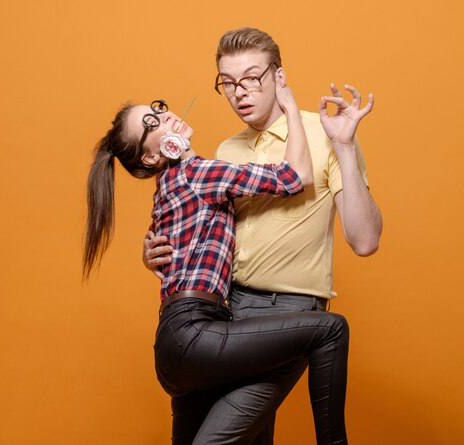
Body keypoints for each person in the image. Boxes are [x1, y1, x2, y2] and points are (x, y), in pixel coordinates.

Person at [84, 75, 370, 443]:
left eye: (158, 110)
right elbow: (293, 176)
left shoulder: (169, 189)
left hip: (177, 345)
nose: (166, 116)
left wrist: (148, 257)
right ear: (152, 156)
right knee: (331, 329)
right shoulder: (197, 172)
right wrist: (291, 110)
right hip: (196, 333)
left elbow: (178, 251)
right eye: (151, 124)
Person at [143, 27, 382, 444]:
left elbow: (364, 241)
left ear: (279, 77)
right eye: (229, 83)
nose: (240, 92)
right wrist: (157, 255)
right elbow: (202, 239)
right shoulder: (225, 151)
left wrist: (344, 146)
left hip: (287, 314)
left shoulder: (325, 132)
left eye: (252, 78)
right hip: (223, 317)